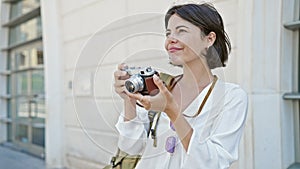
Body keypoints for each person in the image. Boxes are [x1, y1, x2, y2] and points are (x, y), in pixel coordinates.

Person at [113, 2, 248, 169]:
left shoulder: (231, 97)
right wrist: (129, 100)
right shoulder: (159, 85)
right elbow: (131, 147)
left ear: (209, 39)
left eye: (181, 31)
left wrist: (172, 111)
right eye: (168, 33)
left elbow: (212, 163)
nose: (170, 39)